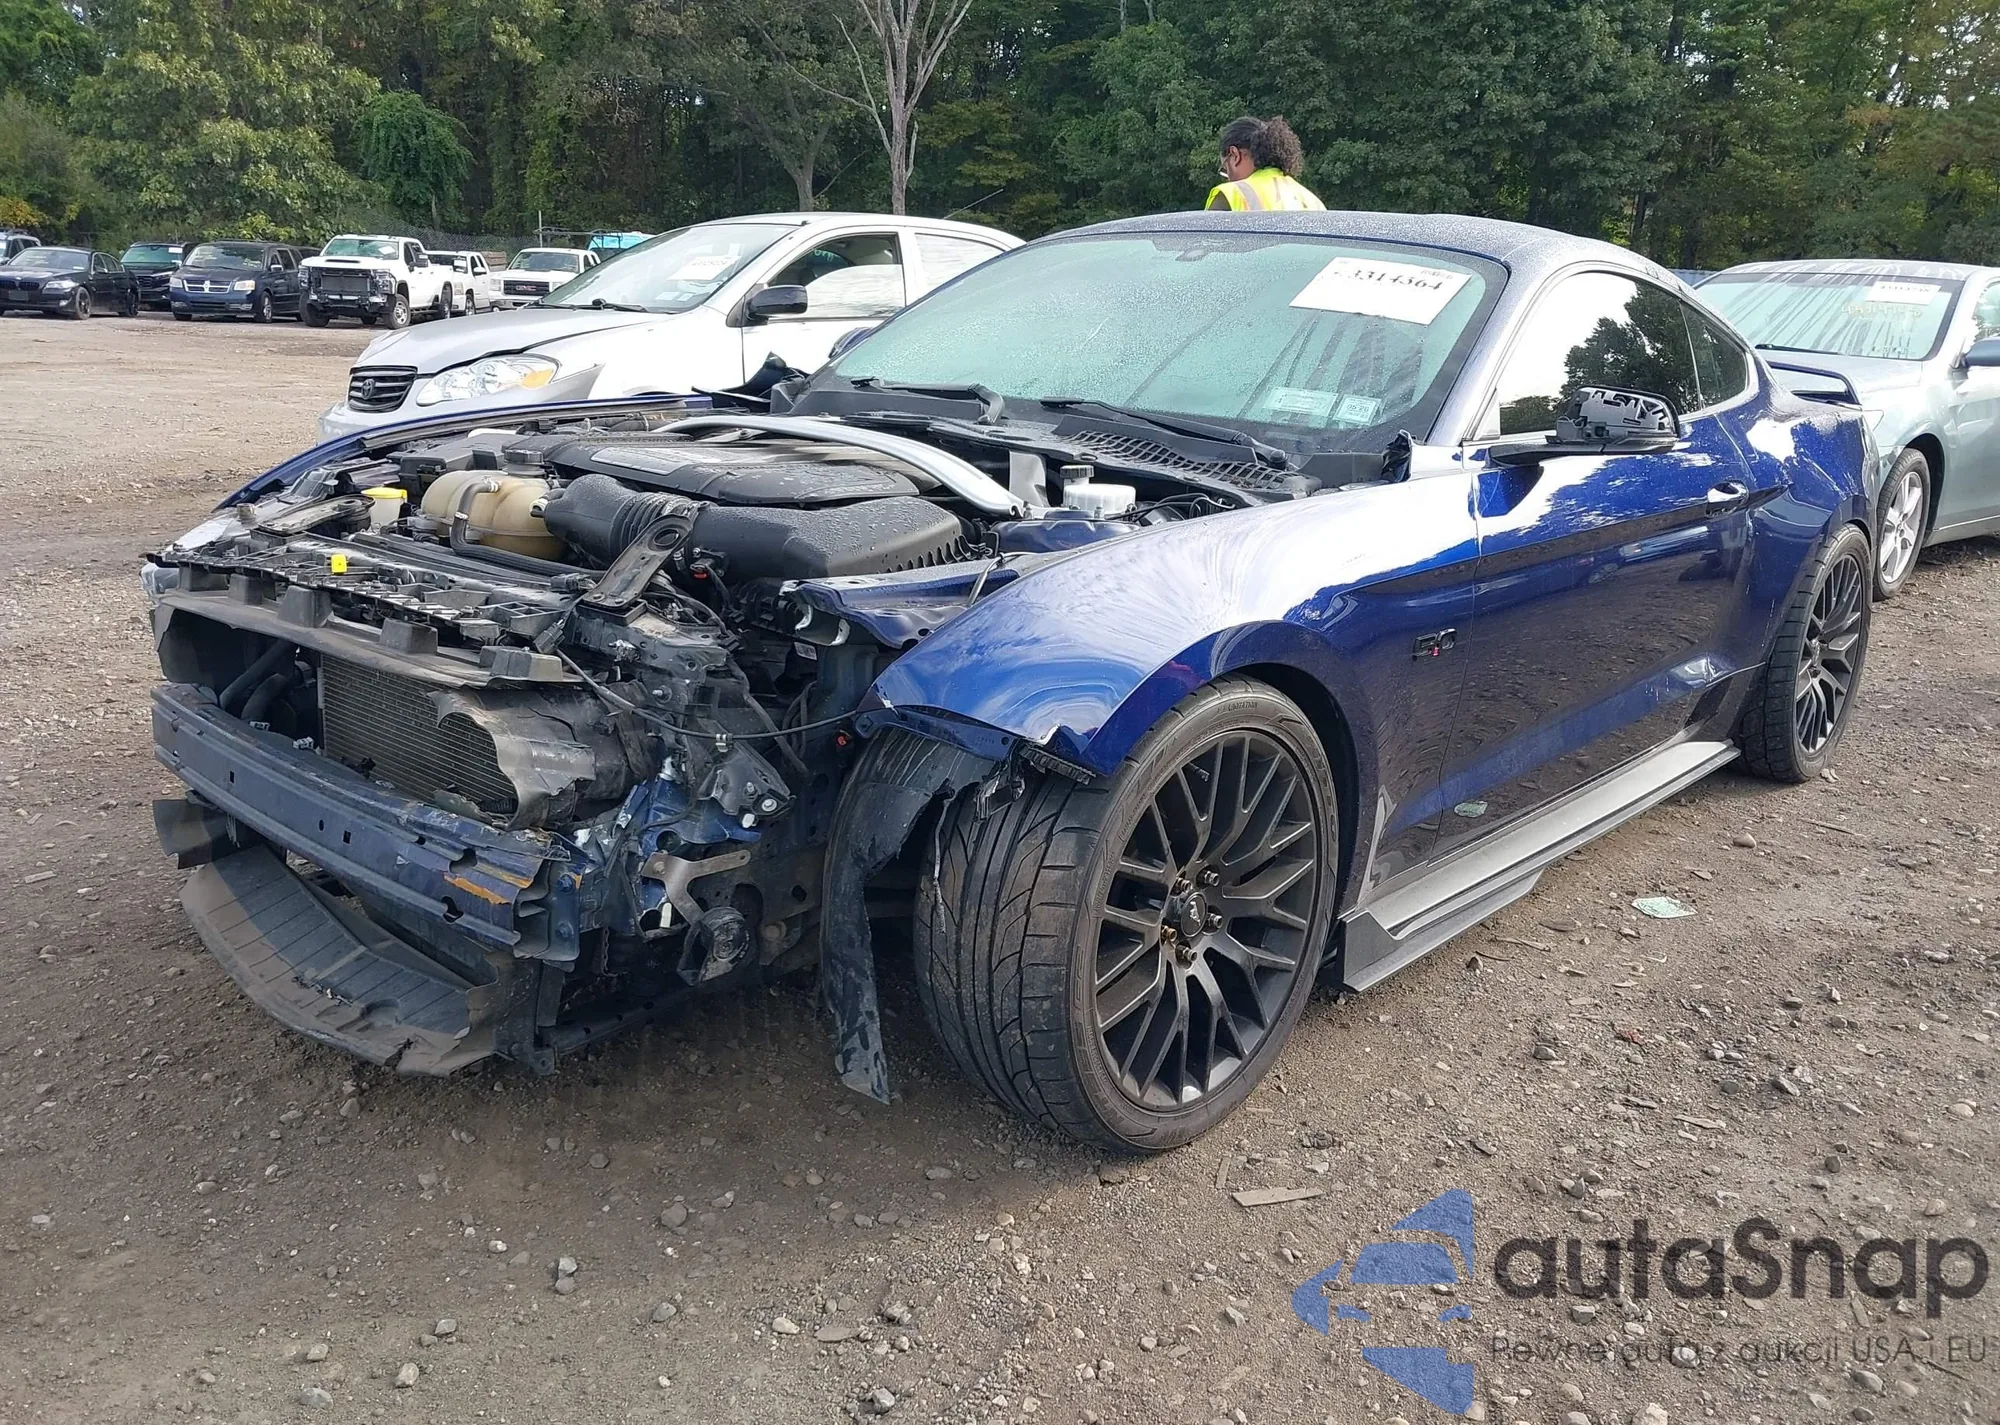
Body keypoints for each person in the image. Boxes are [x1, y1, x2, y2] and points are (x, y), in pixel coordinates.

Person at [1205, 116, 1324, 212]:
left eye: (1225, 169)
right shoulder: (1314, 202)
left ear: (1235, 155)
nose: (1228, 179)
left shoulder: (1233, 194)